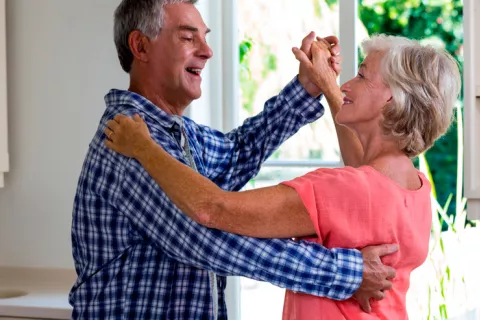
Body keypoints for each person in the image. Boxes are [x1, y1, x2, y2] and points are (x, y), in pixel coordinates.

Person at [69, 0, 397, 319]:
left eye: (205, 37)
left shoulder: (178, 134)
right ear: (140, 46)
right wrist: (347, 273)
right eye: (187, 37)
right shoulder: (128, 140)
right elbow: (209, 239)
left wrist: (306, 87)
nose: (207, 51)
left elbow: (237, 154)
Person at [104, 34, 461, 319]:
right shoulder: (414, 188)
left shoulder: (343, 188)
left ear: (391, 102)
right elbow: (362, 165)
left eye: (363, 75)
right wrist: (323, 81)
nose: (348, 84)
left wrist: (144, 148)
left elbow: (211, 209)